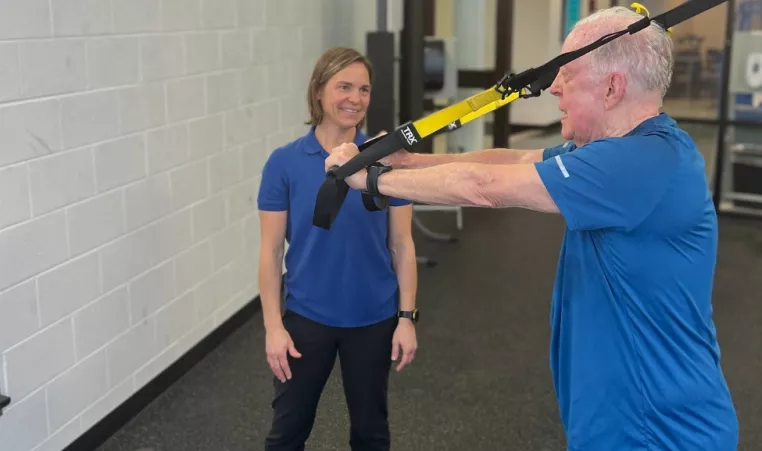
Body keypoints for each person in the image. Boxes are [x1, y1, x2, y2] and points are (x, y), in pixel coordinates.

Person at [325, 7, 738, 451]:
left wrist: (370, 180)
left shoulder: (640, 163)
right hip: (626, 420)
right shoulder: (619, 152)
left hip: (661, 432)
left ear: (612, 88)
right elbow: (509, 160)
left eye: (567, 76)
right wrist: (407, 162)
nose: (555, 89)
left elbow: (486, 188)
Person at [256, 47, 419, 451]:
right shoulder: (284, 162)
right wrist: (273, 327)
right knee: (287, 433)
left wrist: (407, 317)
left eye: (363, 89)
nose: (355, 98)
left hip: (373, 317)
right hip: (307, 317)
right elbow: (271, 250)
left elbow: (402, 244)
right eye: (343, 86)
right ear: (318, 92)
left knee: (371, 434)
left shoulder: (386, 161)